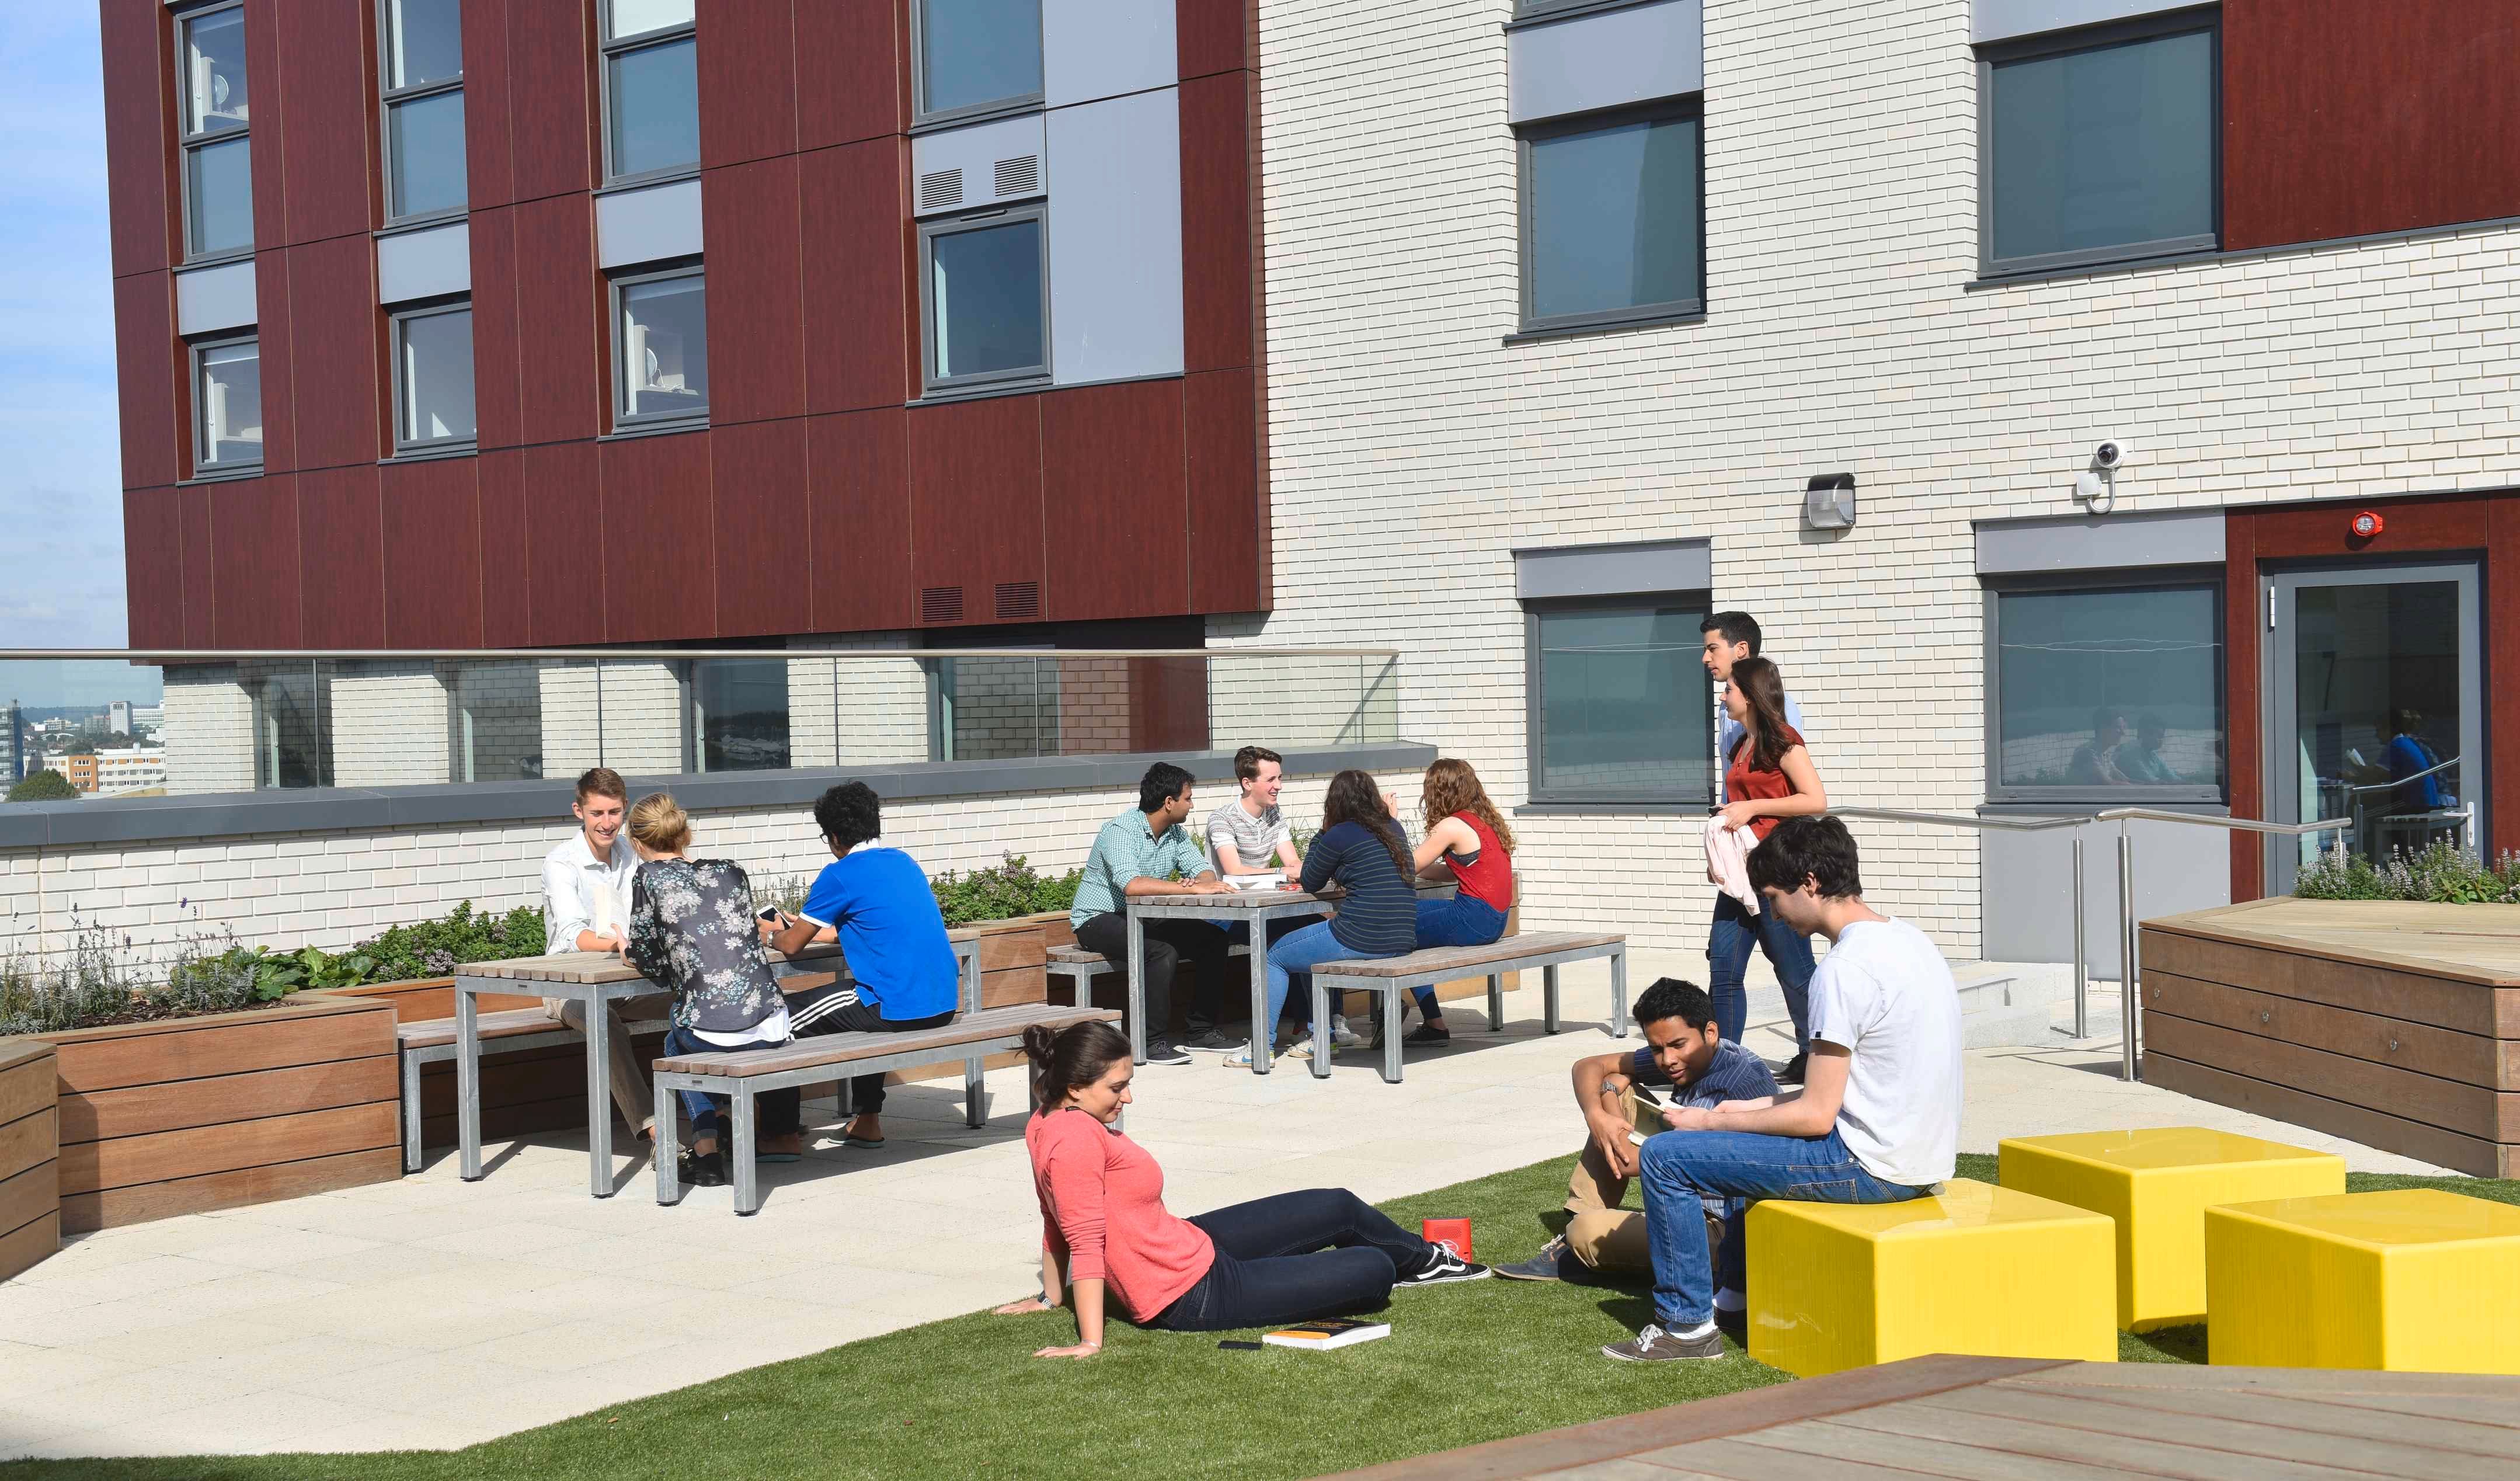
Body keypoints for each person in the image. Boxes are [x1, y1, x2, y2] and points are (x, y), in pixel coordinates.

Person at [1602, 816, 1961, 1364]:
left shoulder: (1842, 970)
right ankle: (1736, 1295)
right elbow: (1843, 1092)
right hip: (1922, 1158)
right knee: (1741, 1142)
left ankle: (1686, 1328)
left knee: (1668, 1159)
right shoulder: (1911, 941)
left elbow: (1817, 1116)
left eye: (1773, 896)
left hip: (1872, 1166)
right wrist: (1741, 1110)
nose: (1771, 912)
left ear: (1810, 883)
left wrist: (1713, 1121)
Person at [994, 1018, 1488, 1354]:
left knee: (1338, 1206)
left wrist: (1049, 1298)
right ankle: (1408, 1262)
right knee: (1373, 1268)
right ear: (1076, 1088)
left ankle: (1428, 1261)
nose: (1129, 1096)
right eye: (1117, 1087)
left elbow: (1050, 1217)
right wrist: (1090, 1341)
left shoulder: (1044, 1121)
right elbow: (1081, 1236)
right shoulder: (1074, 1138)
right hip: (1189, 1294)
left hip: (1187, 1244)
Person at [1494, 978, 1776, 1287]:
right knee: (1615, 1099)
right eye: (1657, 1048)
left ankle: (1579, 1245)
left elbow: (1631, 1163)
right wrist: (1597, 1114)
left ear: (1710, 1032)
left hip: (1728, 1233)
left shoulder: (1733, 1089)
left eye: (1678, 1045)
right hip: (1694, 1197)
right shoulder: (1699, 1055)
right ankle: (1579, 1232)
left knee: (1585, 1232)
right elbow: (1587, 1066)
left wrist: (1609, 1095)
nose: (1668, 1060)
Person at [763, 782, 963, 1149]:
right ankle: (867, 1121)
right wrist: (821, 931)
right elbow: (877, 925)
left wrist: (772, 933)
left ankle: (782, 1132)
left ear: (835, 835)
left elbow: (791, 945)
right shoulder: (903, 862)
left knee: (775, 1018)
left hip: (896, 1008)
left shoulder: (840, 874)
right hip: (943, 1003)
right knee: (867, 1002)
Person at [621, 794, 798, 1190]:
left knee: (675, 1044)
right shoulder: (731, 871)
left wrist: (632, 954)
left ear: (636, 842)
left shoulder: (649, 878)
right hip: (771, 1024)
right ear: (685, 833)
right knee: (685, 1039)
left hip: (712, 1031)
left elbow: (650, 960)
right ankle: (719, 1130)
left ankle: (707, 1156)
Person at [1229, 769, 1419, 1068]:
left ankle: (1261, 1048)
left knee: (1274, 956)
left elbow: (1311, 879)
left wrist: (1323, 832)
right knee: (1308, 942)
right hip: (1402, 938)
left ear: (1335, 802)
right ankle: (1323, 1037)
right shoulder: (1392, 827)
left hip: (1361, 936)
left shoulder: (1339, 834)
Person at [1068, 763, 1235, 1066]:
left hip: (1145, 917)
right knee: (1162, 952)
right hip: (1099, 919)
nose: (1192, 804)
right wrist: (1188, 889)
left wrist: (1201, 883)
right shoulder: (1119, 831)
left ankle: (1200, 1031)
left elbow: (1205, 873)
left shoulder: (1176, 834)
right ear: (1169, 802)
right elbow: (1132, 886)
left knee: (1213, 938)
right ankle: (1151, 1042)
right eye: (1188, 798)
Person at [1708, 656, 1826, 1081]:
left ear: (1751, 696)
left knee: (1795, 973)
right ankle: (1723, 1064)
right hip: (1740, 878)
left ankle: (1817, 1054)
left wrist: (1754, 806)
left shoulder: (1783, 742)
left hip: (1777, 874)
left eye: (1730, 691)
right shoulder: (1741, 746)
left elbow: (1815, 801)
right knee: (1723, 969)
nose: (1723, 697)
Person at [538, 766, 667, 1143]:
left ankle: (722, 1115)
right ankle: (656, 1129)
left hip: (627, 981)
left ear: (625, 808)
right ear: (579, 811)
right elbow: (572, 934)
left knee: (696, 1002)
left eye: (614, 813)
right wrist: (619, 944)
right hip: (568, 986)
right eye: (597, 813)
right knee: (601, 1018)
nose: (607, 823)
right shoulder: (561, 863)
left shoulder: (631, 853)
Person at [1200, 746, 1355, 1052]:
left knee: (1317, 929)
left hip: (1268, 909)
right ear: (1247, 783)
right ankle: (1310, 1027)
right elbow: (1234, 871)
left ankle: (1328, 1024)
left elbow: (1294, 864)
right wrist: (1284, 873)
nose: (1279, 786)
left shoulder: (1274, 815)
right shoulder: (1222, 819)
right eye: (1271, 779)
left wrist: (1301, 870)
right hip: (1226, 912)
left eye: (1280, 778)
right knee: (1289, 939)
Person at [1393, 758, 1517, 1045]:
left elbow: (1406, 866)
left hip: (1472, 918)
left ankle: (1425, 1021)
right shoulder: (1486, 821)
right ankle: (1428, 1021)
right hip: (1494, 920)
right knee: (1407, 916)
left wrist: (1391, 822)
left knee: (1397, 923)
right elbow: (1459, 869)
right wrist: (1417, 873)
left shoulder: (1451, 825)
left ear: (1440, 791)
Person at [2067, 708, 2132, 787]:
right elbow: (2109, 784)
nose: (2123, 733)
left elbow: (2126, 780)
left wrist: (2147, 785)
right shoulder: (2087, 753)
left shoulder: (2104, 754)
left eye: (2123, 728)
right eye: (2118, 728)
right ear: (2103, 729)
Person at [2116, 714, 2181, 784]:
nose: (2156, 739)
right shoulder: (2129, 752)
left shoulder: (2153, 755)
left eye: (2160, 736)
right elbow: (2150, 780)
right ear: (2141, 733)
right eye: (2151, 733)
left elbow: (2171, 776)